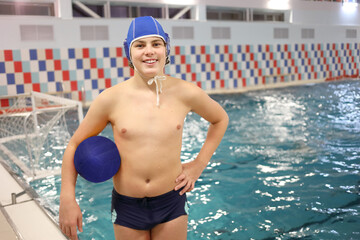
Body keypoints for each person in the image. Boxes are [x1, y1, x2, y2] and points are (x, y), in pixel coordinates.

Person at [59, 16, 228, 240]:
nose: (149, 51)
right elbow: (74, 145)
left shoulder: (186, 92)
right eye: (140, 45)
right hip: (127, 206)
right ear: (128, 52)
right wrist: (67, 199)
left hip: (171, 201)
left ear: (166, 49)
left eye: (156, 44)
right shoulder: (111, 99)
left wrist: (199, 164)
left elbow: (220, 119)